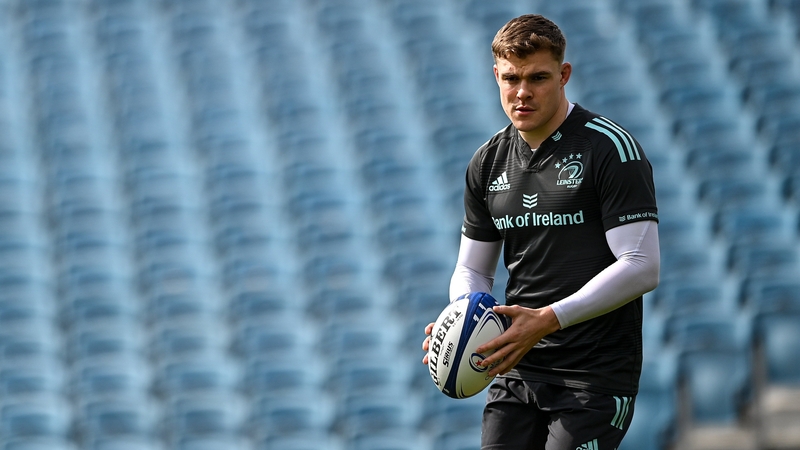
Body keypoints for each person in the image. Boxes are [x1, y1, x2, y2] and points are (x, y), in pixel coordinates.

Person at [421, 14, 660, 450]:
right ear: (496, 74)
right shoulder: (487, 162)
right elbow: (471, 269)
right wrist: (462, 317)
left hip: (592, 379)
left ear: (564, 74)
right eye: (511, 78)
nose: (522, 92)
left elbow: (642, 267)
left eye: (538, 77)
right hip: (516, 368)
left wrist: (547, 320)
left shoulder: (609, 149)